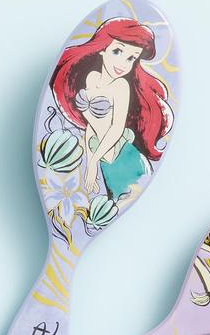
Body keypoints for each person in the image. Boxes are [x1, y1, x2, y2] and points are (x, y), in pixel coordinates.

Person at [50, 17, 173, 199]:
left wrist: (93, 162)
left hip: (124, 158)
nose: (123, 64)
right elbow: (91, 126)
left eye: (131, 58)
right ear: (103, 49)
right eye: (117, 51)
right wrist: (90, 162)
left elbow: (116, 128)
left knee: (120, 196)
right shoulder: (91, 78)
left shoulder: (121, 86)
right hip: (102, 157)